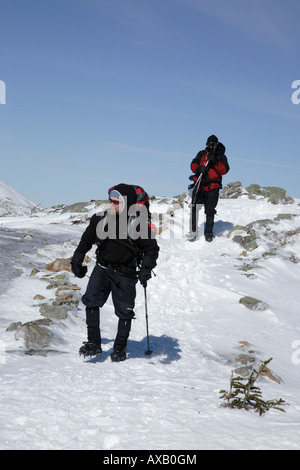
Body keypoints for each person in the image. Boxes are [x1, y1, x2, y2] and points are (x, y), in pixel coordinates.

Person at [71, 183, 159, 362]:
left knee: (125, 312)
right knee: (91, 302)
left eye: (116, 201)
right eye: (110, 200)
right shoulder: (99, 220)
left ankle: (120, 348)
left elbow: (152, 250)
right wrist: (77, 260)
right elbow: (86, 240)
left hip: (125, 274)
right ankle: (93, 343)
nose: (111, 204)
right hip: (102, 269)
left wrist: (146, 269)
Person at [188, 134, 230, 242]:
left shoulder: (221, 156)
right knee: (194, 207)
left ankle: (208, 233)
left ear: (216, 144)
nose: (211, 146)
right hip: (200, 184)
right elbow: (193, 164)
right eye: (209, 144)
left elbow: (224, 170)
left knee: (210, 211)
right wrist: (198, 169)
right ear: (206, 144)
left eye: (213, 144)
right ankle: (193, 231)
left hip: (213, 187)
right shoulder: (202, 154)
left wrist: (215, 162)